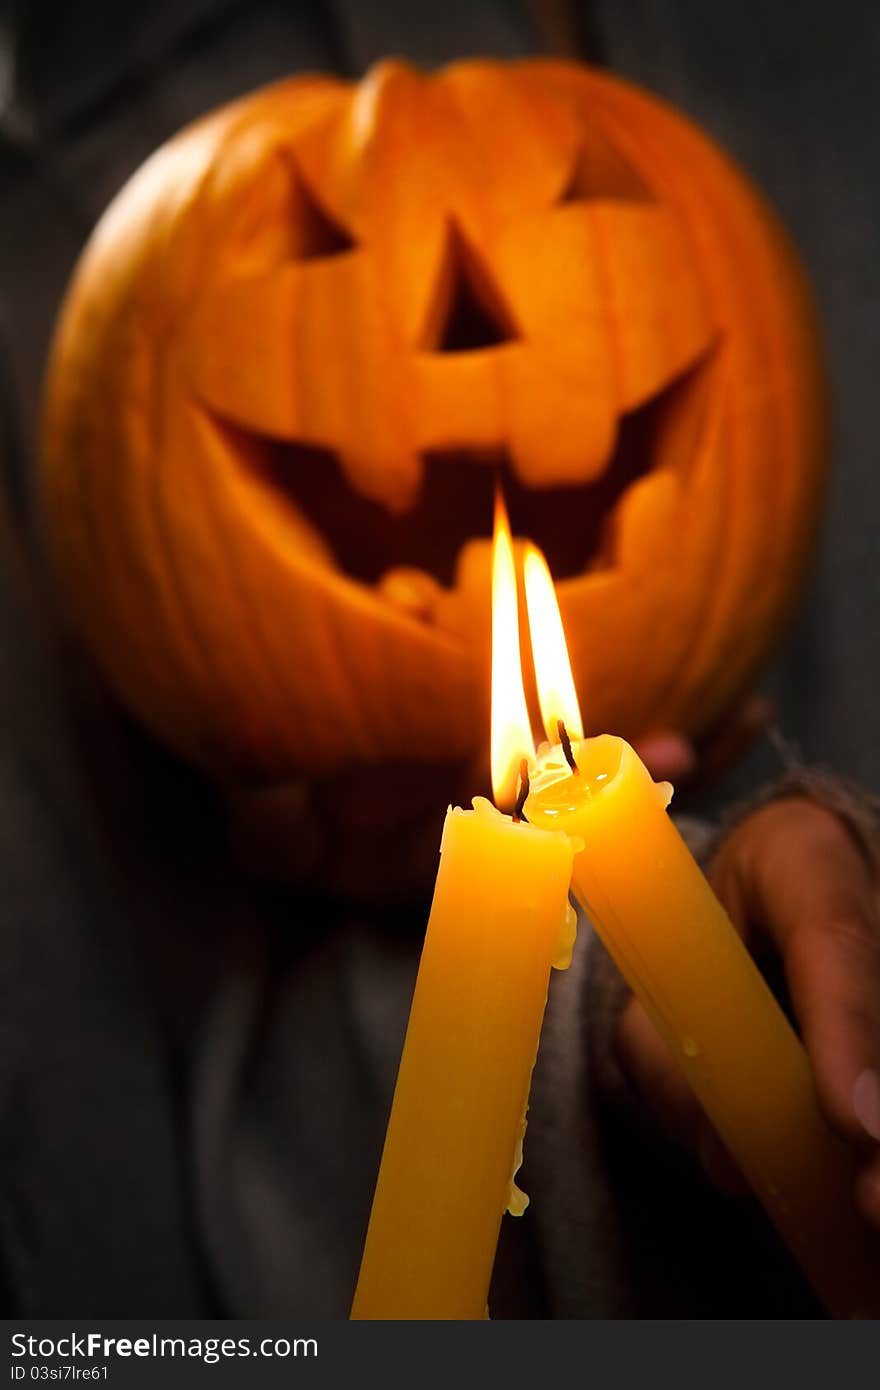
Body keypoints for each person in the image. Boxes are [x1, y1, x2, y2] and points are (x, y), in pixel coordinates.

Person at [0, 0, 877, 1318]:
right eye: (319, 239)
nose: (469, 321)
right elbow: (101, 1276)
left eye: (589, 201)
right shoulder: (41, 249)